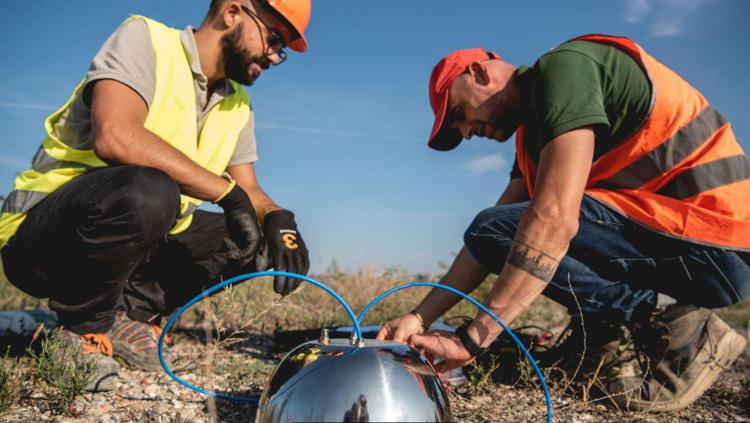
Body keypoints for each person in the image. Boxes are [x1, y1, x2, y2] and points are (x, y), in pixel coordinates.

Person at [378, 34, 749, 411]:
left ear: (478, 73)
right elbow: (485, 242)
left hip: (721, 243)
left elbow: (552, 220)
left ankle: (673, 327)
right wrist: (419, 316)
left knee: (525, 222)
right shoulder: (532, 140)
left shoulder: (563, 70)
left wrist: (472, 340)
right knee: (496, 229)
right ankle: (601, 337)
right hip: (691, 244)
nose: (466, 132)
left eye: (458, 114)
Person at [0, 0, 311, 391]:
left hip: (136, 234)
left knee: (253, 237)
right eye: (273, 38)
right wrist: (227, 194)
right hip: (44, 242)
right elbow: (116, 136)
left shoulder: (238, 105)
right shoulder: (145, 39)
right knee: (149, 190)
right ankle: (82, 329)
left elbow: (247, 188)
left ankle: (128, 315)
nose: (273, 56)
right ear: (233, 12)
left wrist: (279, 218)